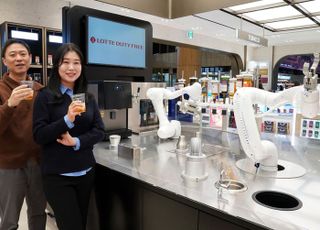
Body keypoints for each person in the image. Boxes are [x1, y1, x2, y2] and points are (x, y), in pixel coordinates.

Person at [33, 43, 105, 230]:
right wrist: (67, 119)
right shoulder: (45, 96)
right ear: (57, 65)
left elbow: (99, 130)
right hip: (58, 176)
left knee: (81, 223)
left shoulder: (87, 97)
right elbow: (39, 135)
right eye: (66, 62)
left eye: (76, 63)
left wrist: (76, 141)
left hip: (85, 172)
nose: (71, 68)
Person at [0, 39, 47, 230]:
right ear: (4, 61)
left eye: (23, 54)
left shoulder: (40, 90)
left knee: (38, 213)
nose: (19, 58)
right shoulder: (1, 89)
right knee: (9, 220)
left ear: (30, 59)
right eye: (13, 55)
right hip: (10, 165)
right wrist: (9, 104)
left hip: (38, 162)